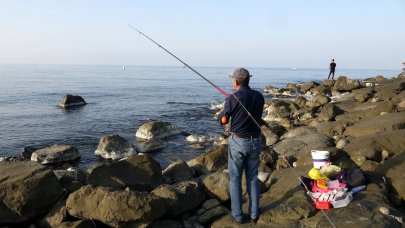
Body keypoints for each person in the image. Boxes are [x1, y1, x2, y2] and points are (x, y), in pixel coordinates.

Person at [219, 67, 264, 223]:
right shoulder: (259, 96)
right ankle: (254, 214)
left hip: (238, 142)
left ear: (235, 81)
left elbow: (223, 120)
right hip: (256, 141)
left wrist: (223, 110)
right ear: (248, 80)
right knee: (252, 178)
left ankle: (238, 215)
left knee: (235, 179)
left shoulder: (233, 98)